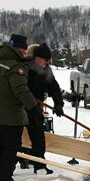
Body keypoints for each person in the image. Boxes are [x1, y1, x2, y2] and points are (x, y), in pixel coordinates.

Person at [0, 34, 41, 181]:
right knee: (12, 145)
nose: (25, 52)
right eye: (24, 49)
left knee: (0, 142)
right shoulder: (16, 67)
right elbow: (21, 90)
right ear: (18, 48)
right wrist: (33, 108)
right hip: (10, 112)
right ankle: (4, 179)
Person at [19, 43, 64, 174]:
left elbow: (54, 88)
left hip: (35, 109)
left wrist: (58, 104)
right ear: (37, 58)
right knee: (16, 138)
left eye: (49, 59)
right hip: (20, 108)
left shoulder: (46, 71)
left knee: (38, 137)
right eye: (46, 59)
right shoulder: (24, 68)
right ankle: (14, 162)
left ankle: (39, 165)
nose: (48, 62)